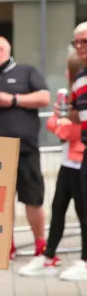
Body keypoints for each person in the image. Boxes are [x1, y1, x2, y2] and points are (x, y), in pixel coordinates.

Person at [0, 36, 51, 260]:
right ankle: (5, 247)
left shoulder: (27, 71)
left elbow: (44, 97)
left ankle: (41, 245)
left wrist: (12, 100)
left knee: (33, 198)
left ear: (2, 50)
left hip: (25, 149)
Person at [18, 51, 87, 280]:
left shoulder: (82, 94)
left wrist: (61, 123)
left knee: (82, 213)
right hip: (68, 162)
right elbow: (54, 124)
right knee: (58, 209)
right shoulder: (72, 96)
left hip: (80, 161)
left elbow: (69, 129)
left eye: (69, 69)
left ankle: (84, 261)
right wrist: (61, 122)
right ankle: (48, 257)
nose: (66, 73)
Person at [64, 22, 87, 296]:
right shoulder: (80, 77)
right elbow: (74, 111)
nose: (79, 46)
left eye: (84, 41)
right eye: (76, 42)